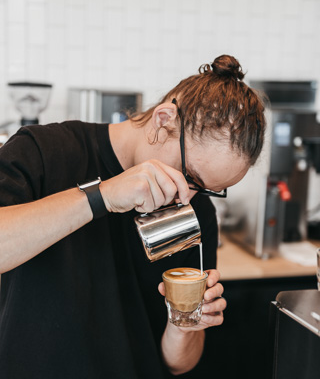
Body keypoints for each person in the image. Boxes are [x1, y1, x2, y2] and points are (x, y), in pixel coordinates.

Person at [0, 54, 266, 378]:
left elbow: (179, 363)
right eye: (190, 176)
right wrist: (104, 196)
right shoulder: (44, 150)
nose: (188, 195)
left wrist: (184, 325)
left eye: (209, 189)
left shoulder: (196, 212)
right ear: (163, 120)